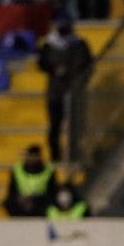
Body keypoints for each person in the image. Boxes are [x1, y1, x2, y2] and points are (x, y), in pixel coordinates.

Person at [37, 17, 93, 163]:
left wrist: (79, 81)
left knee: (75, 125)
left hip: (74, 92)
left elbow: (88, 66)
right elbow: (42, 63)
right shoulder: (49, 44)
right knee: (55, 125)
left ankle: (74, 155)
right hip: (55, 92)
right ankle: (55, 155)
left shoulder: (80, 44)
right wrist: (54, 69)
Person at [4, 144, 57, 217]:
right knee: (8, 202)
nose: (32, 159)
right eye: (30, 156)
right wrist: (20, 197)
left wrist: (34, 198)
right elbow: (11, 190)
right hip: (21, 202)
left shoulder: (48, 170)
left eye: (35, 156)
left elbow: (52, 192)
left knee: (49, 205)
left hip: (40, 202)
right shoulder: (17, 169)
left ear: (39, 157)